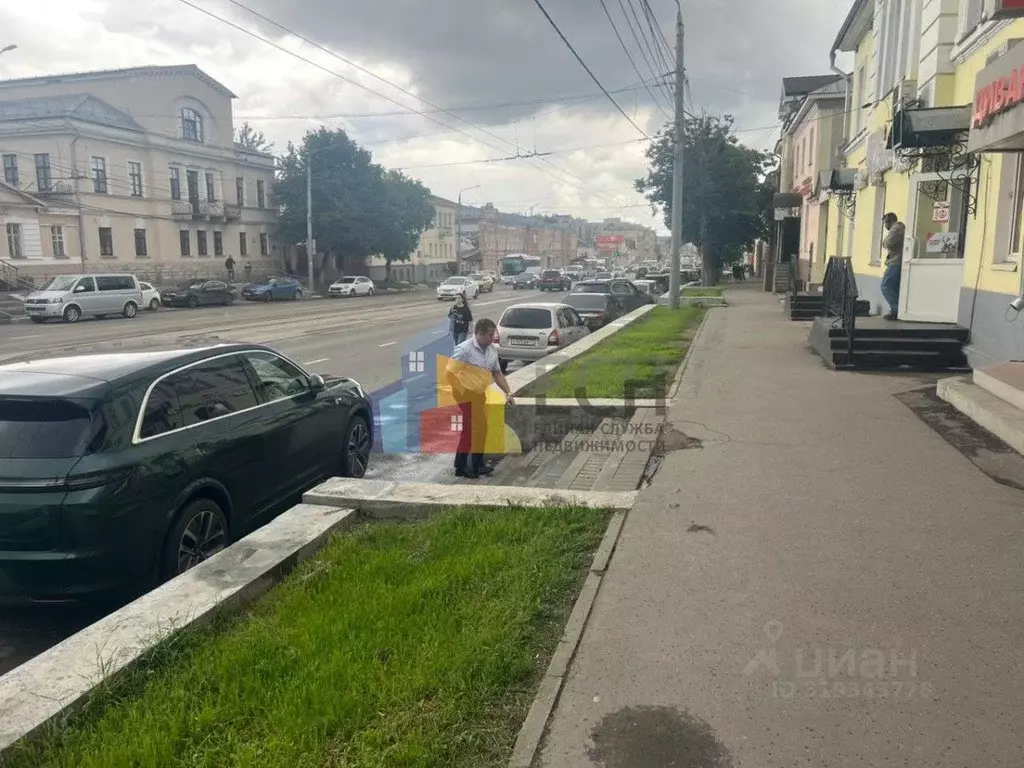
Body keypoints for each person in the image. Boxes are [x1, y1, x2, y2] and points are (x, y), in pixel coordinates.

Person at [445, 318, 515, 480]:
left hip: (478, 394)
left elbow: (497, 373)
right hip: (464, 393)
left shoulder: (491, 350)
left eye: (493, 335)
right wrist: (462, 389)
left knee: (482, 427)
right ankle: (461, 467)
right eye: (490, 335)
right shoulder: (464, 349)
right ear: (479, 334)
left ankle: (478, 464)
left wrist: (508, 393)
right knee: (470, 428)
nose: (492, 338)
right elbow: (449, 373)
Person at [880, 212, 906, 320]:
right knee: (895, 288)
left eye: (885, 223)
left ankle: (896, 310)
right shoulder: (900, 228)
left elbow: (888, 243)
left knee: (886, 286)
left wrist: (884, 241)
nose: (885, 226)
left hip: (895, 262)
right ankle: (898, 310)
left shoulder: (896, 228)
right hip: (898, 261)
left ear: (889, 221)